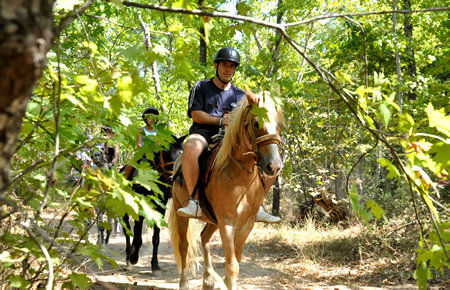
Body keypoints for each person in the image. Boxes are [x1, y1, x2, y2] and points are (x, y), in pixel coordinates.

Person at [176, 47, 281, 223]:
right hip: (204, 134)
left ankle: (257, 206)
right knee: (191, 147)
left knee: (270, 157)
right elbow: (196, 114)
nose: (227, 69)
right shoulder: (201, 87)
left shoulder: (241, 94)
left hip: (232, 139)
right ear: (216, 66)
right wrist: (219, 121)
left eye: (232, 66)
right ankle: (194, 201)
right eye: (224, 65)